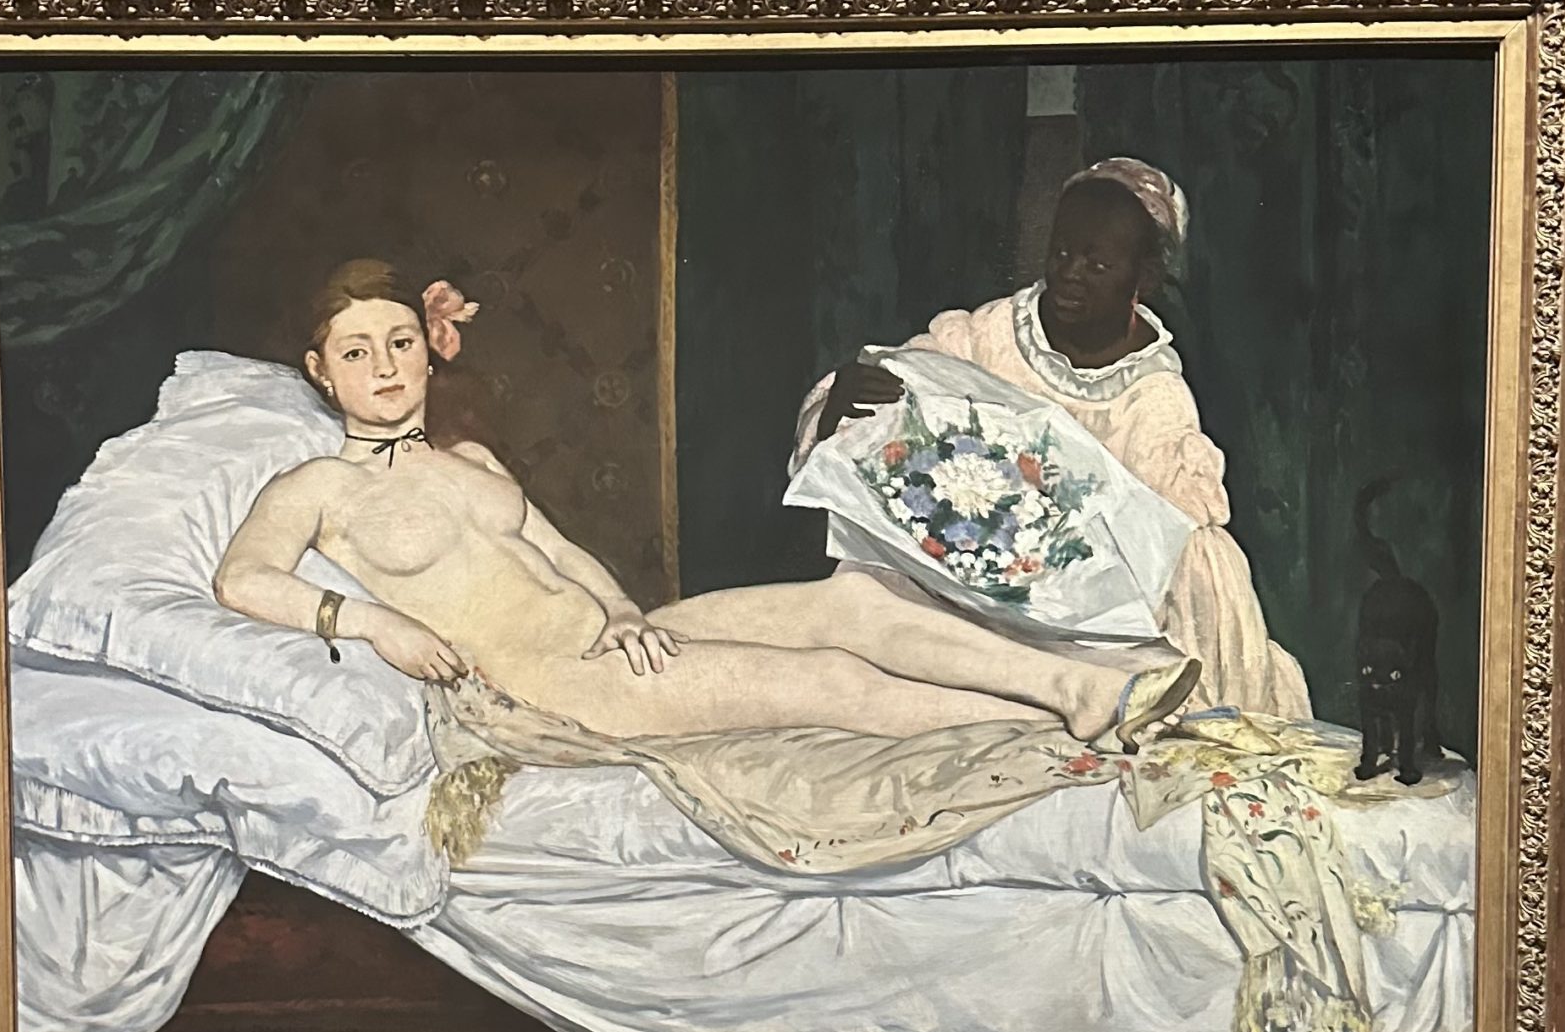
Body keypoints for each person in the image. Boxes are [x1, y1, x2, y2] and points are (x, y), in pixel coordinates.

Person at [215, 259, 1200, 749]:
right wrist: (372, 622)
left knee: (852, 602)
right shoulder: (317, 486)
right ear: (320, 371)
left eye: (399, 343)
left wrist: (624, 611)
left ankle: (1078, 687)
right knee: (827, 680)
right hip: (552, 690)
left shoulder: (468, 457)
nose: (386, 367)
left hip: (613, 643)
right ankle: (1056, 729)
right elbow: (242, 579)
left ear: (430, 352)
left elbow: (562, 555)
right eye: (357, 352)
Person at [808, 160, 1311, 718]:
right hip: (952, 586)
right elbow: (899, 391)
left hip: (1075, 623)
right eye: (1062, 253)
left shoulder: (1154, 397)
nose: (1071, 274)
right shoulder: (989, 337)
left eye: (1097, 264)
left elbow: (1173, 553)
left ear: (1143, 279)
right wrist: (844, 402)